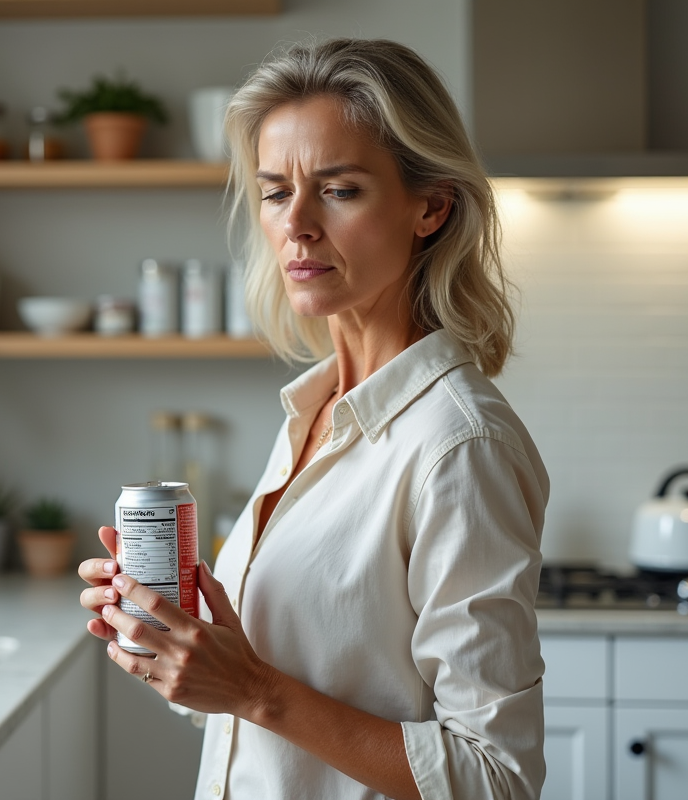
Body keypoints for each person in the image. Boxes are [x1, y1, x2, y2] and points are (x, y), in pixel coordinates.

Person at [78, 38, 548, 800]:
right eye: (274, 191)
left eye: (339, 190)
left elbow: (496, 778)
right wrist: (183, 650)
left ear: (430, 207)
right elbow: (281, 702)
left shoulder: (459, 445)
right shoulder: (315, 413)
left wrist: (254, 689)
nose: (296, 223)